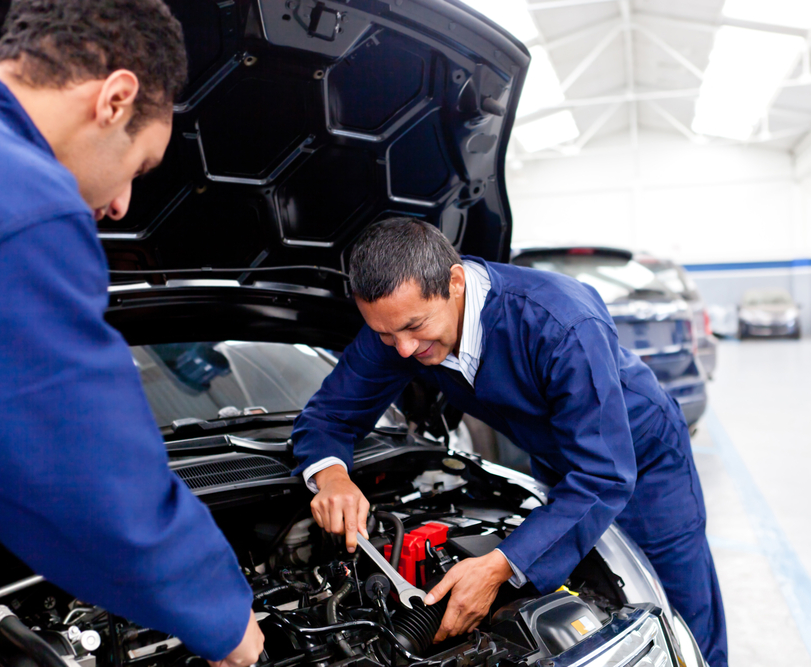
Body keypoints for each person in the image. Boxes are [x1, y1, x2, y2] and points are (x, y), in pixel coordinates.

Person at [0, 2, 263, 665]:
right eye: (142, 165)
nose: (124, 204)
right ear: (114, 99)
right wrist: (221, 611)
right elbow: (75, 466)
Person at [291, 218, 728, 667]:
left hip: (642, 457)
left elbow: (602, 475)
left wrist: (501, 564)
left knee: (678, 614)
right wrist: (332, 475)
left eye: (414, 327)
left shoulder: (560, 322)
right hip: (556, 454)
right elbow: (328, 414)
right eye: (386, 335)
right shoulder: (400, 323)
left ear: (454, 282)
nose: (401, 349)